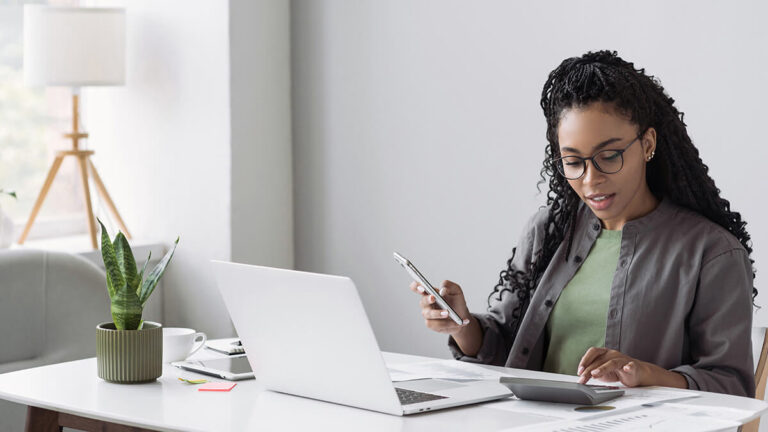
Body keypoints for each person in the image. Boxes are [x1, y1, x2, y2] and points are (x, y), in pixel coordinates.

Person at [410, 50, 757, 397]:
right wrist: (462, 324)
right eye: (573, 162)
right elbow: (509, 348)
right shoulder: (549, 230)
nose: (591, 180)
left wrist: (643, 373)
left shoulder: (712, 254)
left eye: (609, 156)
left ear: (647, 144)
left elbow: (731, 385)